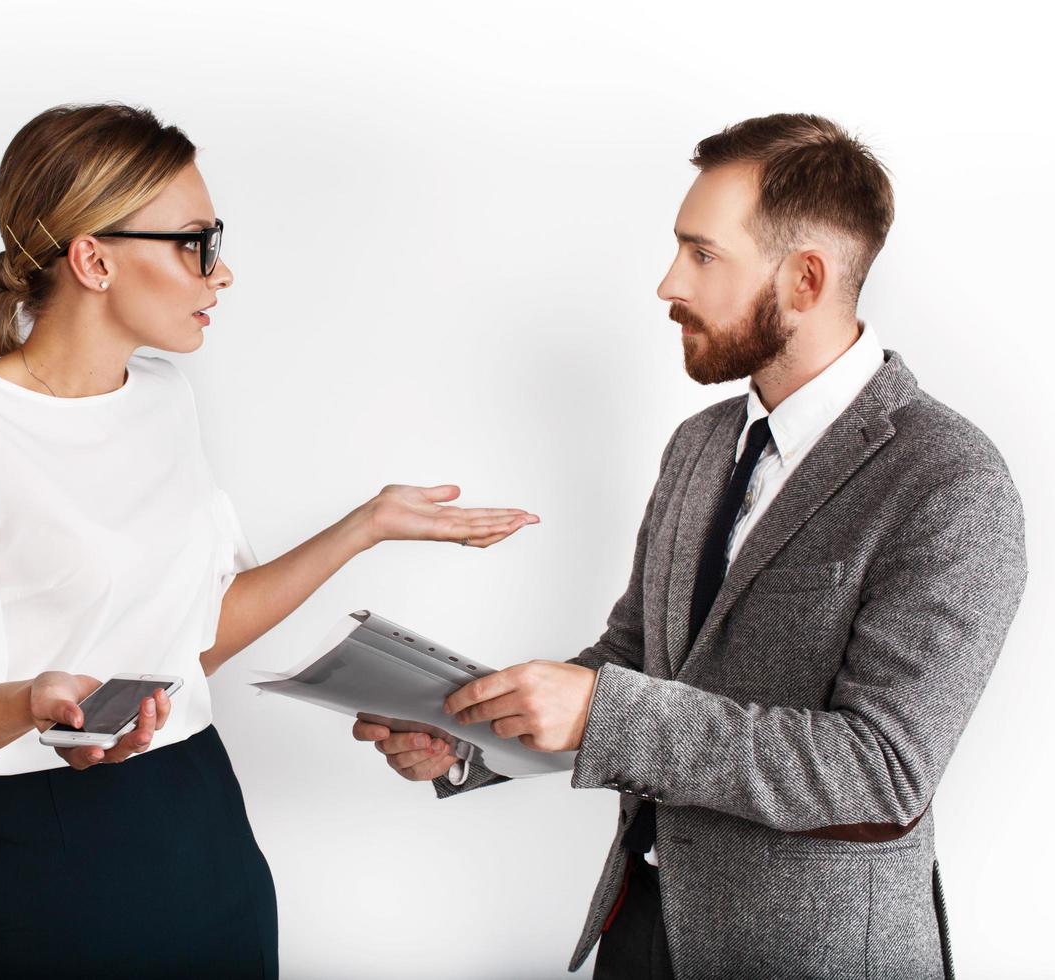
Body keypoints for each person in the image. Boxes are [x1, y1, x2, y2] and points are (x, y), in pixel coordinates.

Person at [0, 102, 540, 979]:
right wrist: (32, 702)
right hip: (43, 851)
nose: (222, 271)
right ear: (93, 259)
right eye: (194, 244)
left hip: (199, 814)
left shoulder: (166, 399)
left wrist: (366, 527)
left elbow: (191, 640)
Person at [355, 113, 1027, 978]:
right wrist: (476, 733)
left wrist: (602, 714)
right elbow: (637, 658)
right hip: (641, 927)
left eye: (702, 255)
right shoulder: (701, 444)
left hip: (807, 957)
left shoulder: (949, 482)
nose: (668, 282)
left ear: (806, 277)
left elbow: (882, 769)